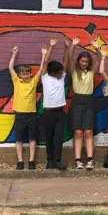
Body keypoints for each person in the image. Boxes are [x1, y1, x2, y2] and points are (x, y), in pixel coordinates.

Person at [8, 43, 47, 170]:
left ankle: (31, 161)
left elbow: (41, 70)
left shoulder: (34, 82)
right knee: (19, 139)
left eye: (27, 73)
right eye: (23, 74)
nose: (25, 76)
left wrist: (43, 55)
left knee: (32, 139)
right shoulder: (16, 81)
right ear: (20, 75)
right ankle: (20, 161)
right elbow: (10, 67)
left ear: (30, 74)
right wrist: (14, 54)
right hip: (19, 115)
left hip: (31, 115)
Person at [68, 36, 102, 170]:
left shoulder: (91, 72)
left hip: (88, 102)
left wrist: (97, 47)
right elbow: (70, 59)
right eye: (82, 61)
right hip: (77, 102)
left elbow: (99, 59)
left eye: (86, 61)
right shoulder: (74, 72)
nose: (83, 63)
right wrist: (74, 45)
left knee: (88, 132)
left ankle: (89, 160)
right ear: (79, 61)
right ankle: (77, 160)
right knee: (78, 132)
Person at [41, 36, 69, 170]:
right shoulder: (45, 77)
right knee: (49, 137)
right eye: (58, 72)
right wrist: (51, 47)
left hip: (60, 112)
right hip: (48, 113)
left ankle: (57, 160)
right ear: (52, 72)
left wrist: (66, 48)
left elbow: (65, 61)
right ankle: (50, 161)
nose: (61, 73)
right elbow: (45, 62)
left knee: (58, 137)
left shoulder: (61, 78)